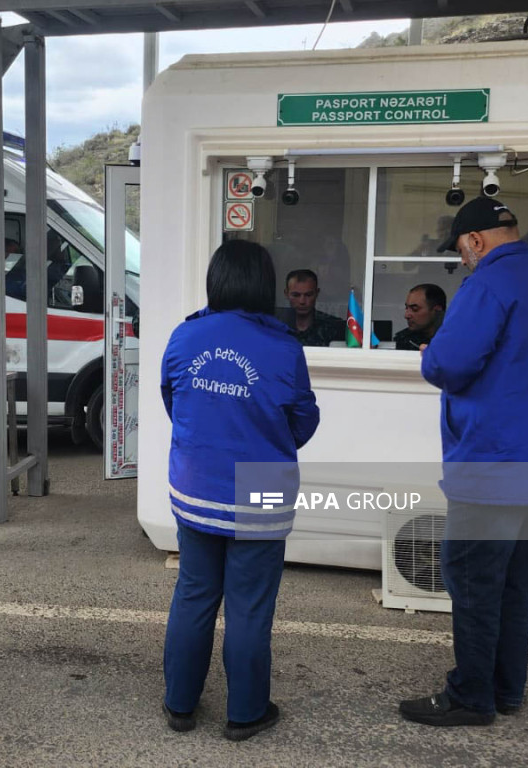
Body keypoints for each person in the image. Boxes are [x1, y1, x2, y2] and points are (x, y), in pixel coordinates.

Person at [399, 197, 528, 726]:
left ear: (477, 240)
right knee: (511, 582)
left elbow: (451, 363)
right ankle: (507, 688)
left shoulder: (487, 284)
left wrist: (430, 355)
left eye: (461, 250)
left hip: (494, 461)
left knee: (473, 577)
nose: (462, 261)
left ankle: (471, 696)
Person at [160, 240, 320, 741]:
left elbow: (173, 402)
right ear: (264, 286)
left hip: (196, 485)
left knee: (194, 593)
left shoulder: (185, 336)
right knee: (249, 605)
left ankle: (180, 705)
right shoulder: (284, 348)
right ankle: (245, 714)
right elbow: (303, 421)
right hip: (260, 490)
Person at [279, 269, 343, 347]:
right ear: (286, 294)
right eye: (296, 295)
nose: (302, 301)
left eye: (308, 295)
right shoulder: (275, 326)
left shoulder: (334, 328)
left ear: (317, 293)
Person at [394, 283, 446, 351]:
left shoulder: (454, 340)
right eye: (406, 308)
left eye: (415, 309)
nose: (406, 315)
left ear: (437, 309)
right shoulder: (404, 339)